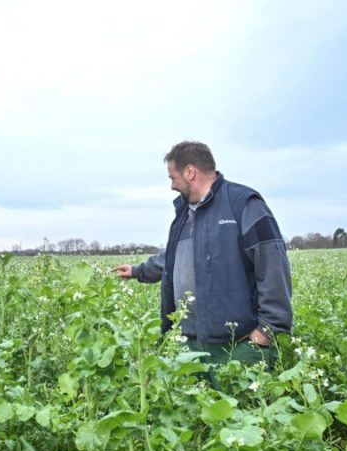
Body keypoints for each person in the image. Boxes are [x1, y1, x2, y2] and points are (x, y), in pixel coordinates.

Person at [114, 141, 292, 379]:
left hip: (238, 347)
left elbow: (273, 266)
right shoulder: (185, 214)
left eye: (172, 177)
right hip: (191, 346)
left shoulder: (243, 204)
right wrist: (138, 271)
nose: (171, 186)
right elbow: (174, 258)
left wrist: (267, 331)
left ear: (190, 172)